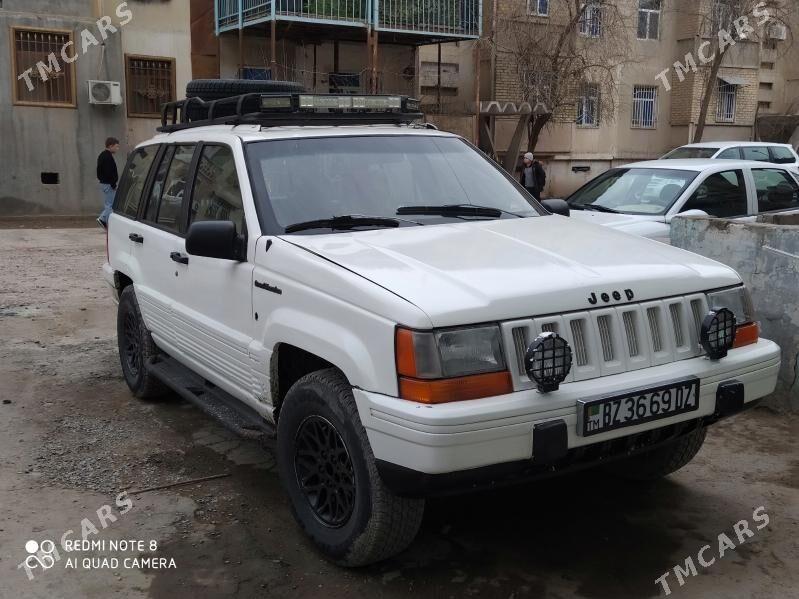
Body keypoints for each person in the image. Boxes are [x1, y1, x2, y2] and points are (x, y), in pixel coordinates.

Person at [97, 137, 120, 228]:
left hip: (105, 183)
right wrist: (113, 184)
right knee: (110, 205)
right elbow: (109, 172)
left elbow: (100, 171)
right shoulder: (107, 157)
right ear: (110, 146)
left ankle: (102, 219)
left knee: (110, 204)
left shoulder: (103, 155)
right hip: (108, 184)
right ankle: (107, 223)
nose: (117, 149)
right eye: (116, 146)